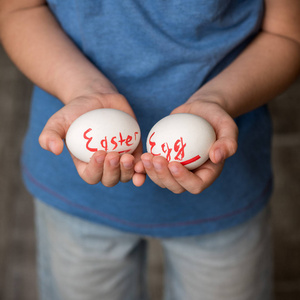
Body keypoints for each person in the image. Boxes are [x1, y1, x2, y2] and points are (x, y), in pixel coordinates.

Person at [1, 0, 300, 299]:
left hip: (224, 192)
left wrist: (218, 100)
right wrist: (82, 88)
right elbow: (19, 10)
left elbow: (286, 35)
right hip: (76, 187)